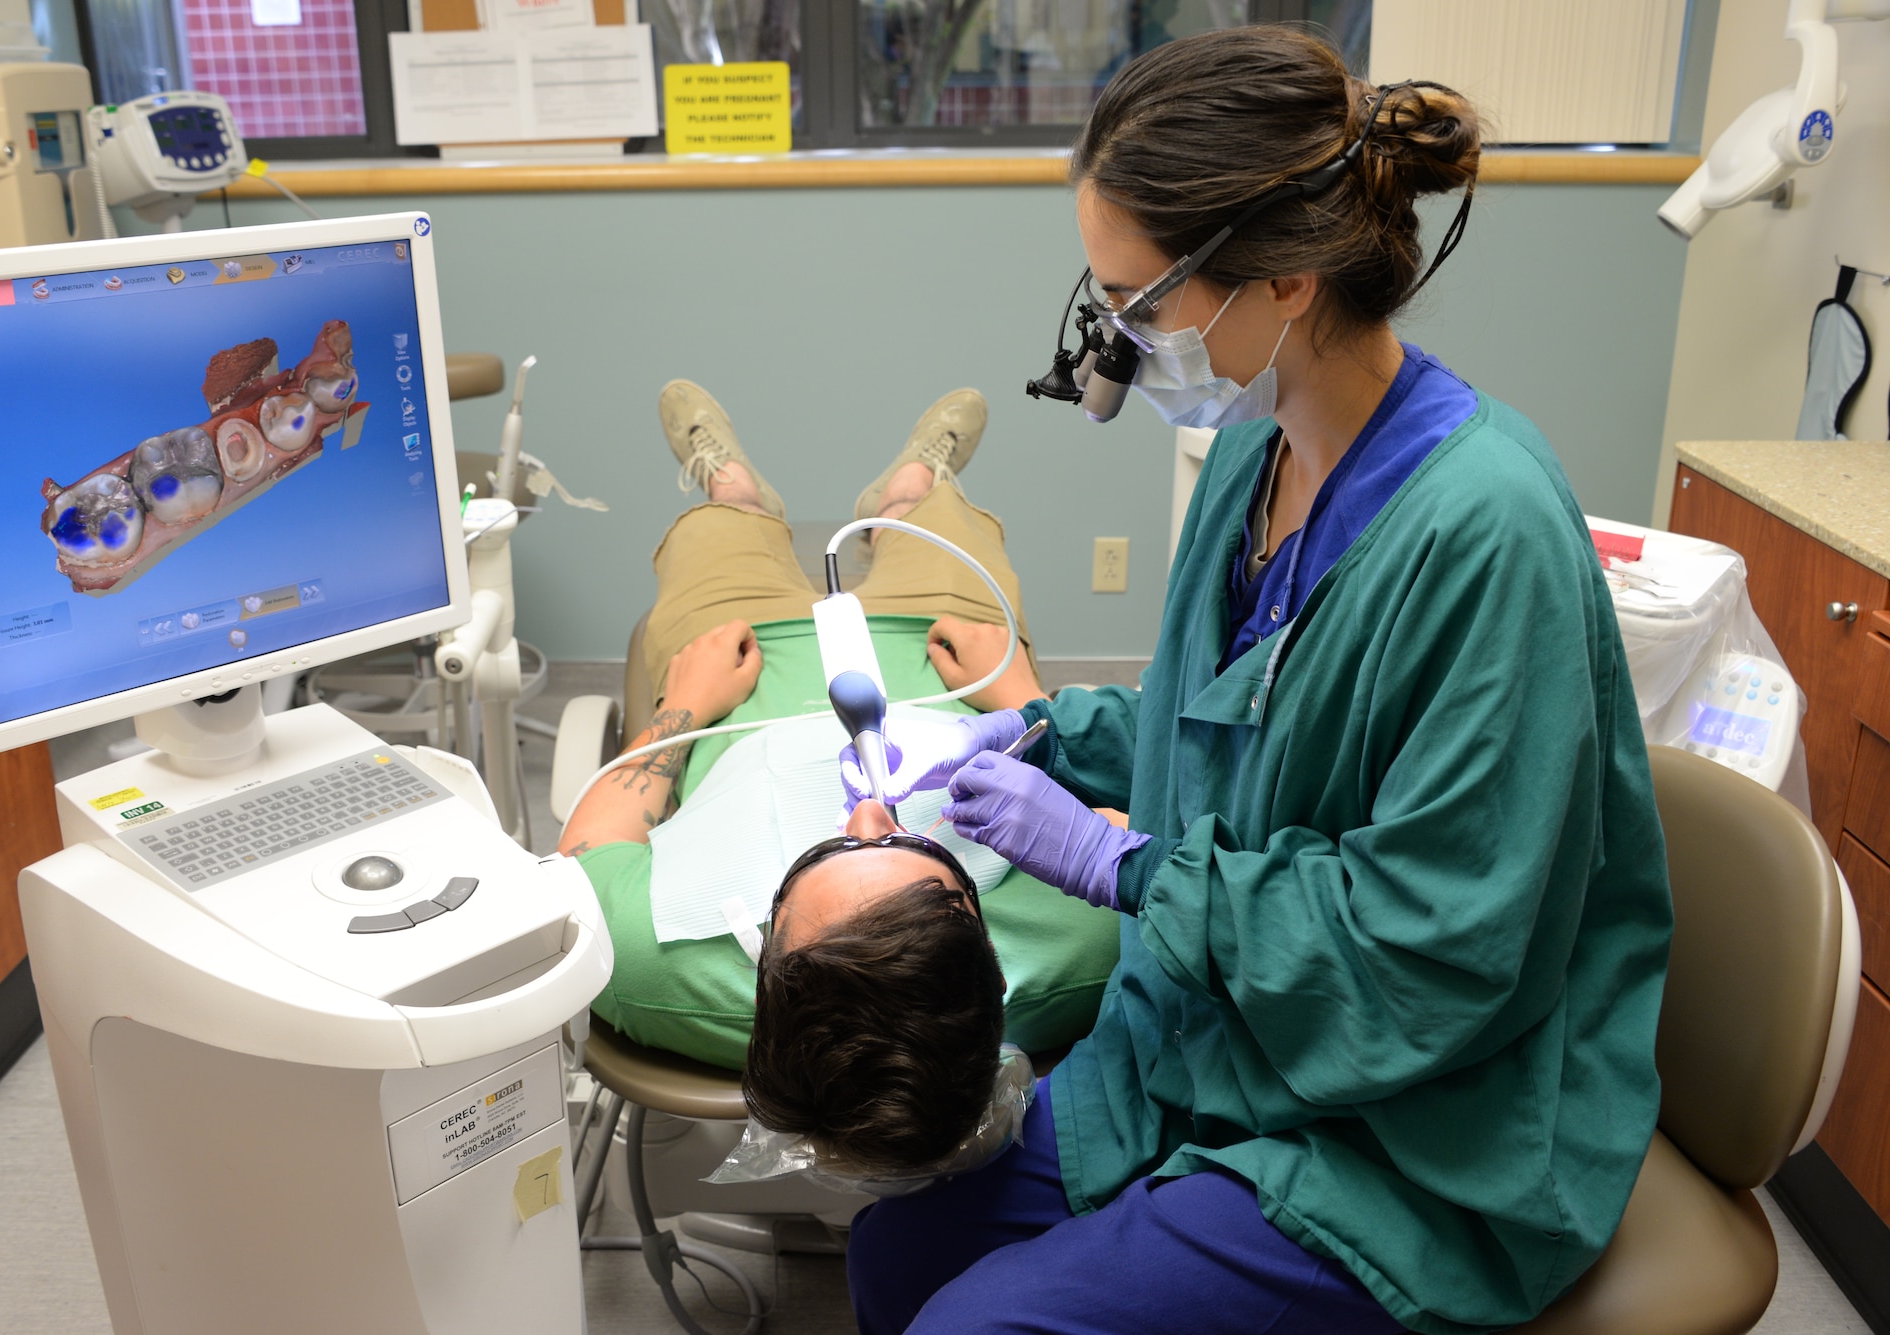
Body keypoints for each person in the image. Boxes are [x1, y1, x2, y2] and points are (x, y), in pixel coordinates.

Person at [840, 26, 1674, 1335]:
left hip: (1415, 1126)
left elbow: (1439, 946)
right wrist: (1046, 735)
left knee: (976, 1323)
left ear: (1284, 279)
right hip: (1231, 1025)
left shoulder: (1486, 530)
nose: (1113, 346)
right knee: (896, 1252)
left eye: (1143, 305)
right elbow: (1233, 723)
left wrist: (1124, 866)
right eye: (1100, 297)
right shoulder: (1253, 453)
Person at [556, 379, 1120, 1170]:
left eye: (821, 856)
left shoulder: (645, 966)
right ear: (984, 949)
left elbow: (587, 846)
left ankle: (736, 493)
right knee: (943, 525)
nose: (864, 811)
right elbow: (1146, 821)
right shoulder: (1091, 945)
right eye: (914, 850)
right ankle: (910, 493)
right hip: (942, 651)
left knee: (713, 538)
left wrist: (684, 707)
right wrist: (1024, 700)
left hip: (743, 663)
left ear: (769, 960)